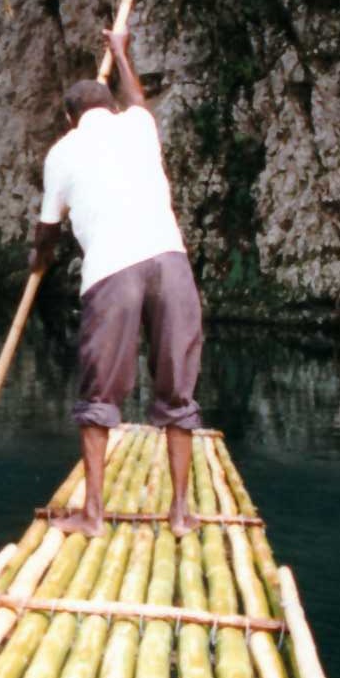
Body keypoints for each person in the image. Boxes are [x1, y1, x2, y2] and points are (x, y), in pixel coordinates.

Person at [28, 27, 202, 537]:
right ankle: (180, 514)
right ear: (112, 107)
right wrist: (122, 52)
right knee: (178, 394)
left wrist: (39, 261)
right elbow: (138, 99)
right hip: (171, 264)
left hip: (113, 273)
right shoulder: (140, 125)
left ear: (70, 118)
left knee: (99, 397)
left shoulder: (62, 153)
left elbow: (47, 230)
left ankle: (93, 515)